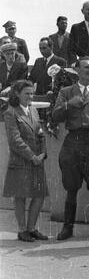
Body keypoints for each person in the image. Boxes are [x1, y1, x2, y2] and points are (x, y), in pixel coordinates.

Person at [52, 56, 89, 241]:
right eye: (86, 67)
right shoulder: (66, 91)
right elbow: (55, 116)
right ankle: (67, 228)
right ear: (77, 70)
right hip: (74, 141)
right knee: (71, 186)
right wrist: (69, 104)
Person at [2, 80, 48, 242]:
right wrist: (32, 156)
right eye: (27, 93)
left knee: (39, 195)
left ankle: (32, 228)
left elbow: (40, 133)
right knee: (20, 196)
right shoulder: (11, 112)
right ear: (17, 94)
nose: (30, 96)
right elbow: (15, 140)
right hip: (22, 161)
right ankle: (22, 230)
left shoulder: (33, 111)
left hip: (37, 160)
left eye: (31, 93)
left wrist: (43, 153)